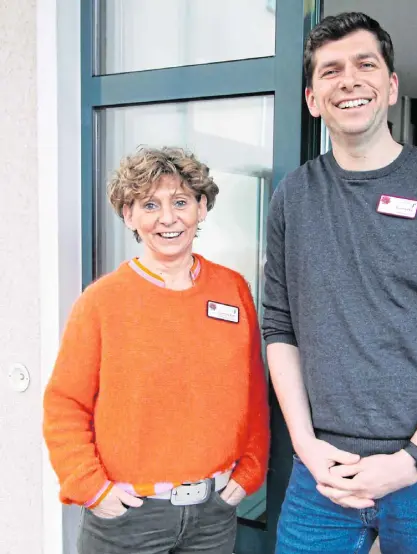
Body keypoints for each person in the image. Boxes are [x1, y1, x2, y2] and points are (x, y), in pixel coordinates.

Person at [262, 12, 417, 554]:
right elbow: (279, 326)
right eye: (330, 71)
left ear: (391, 86)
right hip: (323, 474)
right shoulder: (293, 196)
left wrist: (413, 460)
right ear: (312, 98)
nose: (349, 79)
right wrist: (305, 447)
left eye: (365, 64)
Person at [43, 146, 269, 554]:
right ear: (129, 216)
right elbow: (65, 404)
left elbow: (252, 390)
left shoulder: (233, 289)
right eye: (150, 204)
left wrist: (250, 470)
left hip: (213, 515)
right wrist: (90, 487)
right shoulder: (102, 302)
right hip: (129, 517)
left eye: (180, 201)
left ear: (201, 208)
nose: (168, 218)